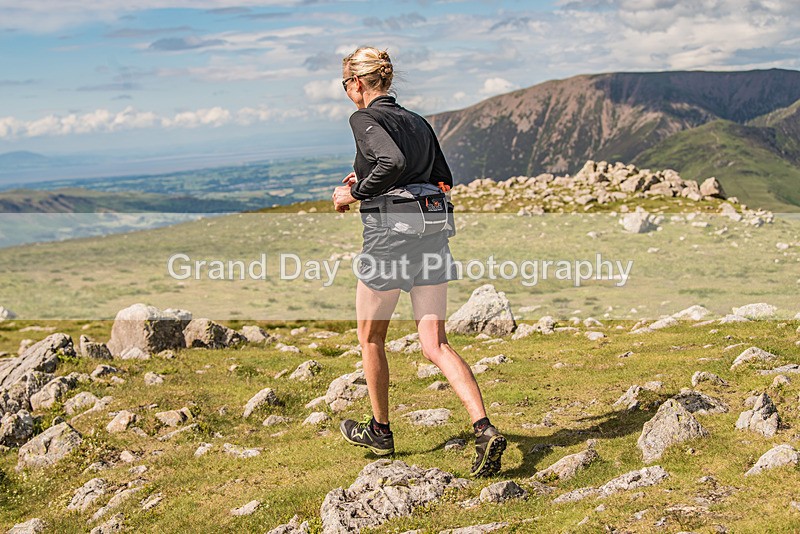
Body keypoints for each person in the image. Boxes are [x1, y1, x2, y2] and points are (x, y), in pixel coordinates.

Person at [331, 46, 506, 477]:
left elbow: (391, 161)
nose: (347, 92)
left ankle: (381, 430)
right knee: (436, 344)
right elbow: (442, 179)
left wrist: (353, 193)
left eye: (346, 84)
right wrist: (374, 181)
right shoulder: (418, 121)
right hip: (431, 238)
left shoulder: (364, 118)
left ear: (357, 83)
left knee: (371, 338)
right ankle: (483, 428)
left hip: (389, 243)